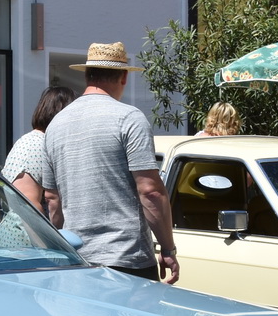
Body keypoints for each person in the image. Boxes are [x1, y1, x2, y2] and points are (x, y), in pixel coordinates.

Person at [43, 41, 179, 283]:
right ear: (124, 77)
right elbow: (151, 191)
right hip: (126, 258)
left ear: (87, 75)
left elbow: (52, 199)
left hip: (77, 259)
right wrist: (167, 249)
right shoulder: (129, 118)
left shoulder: (55, 125)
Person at [1, 86, 74, 213]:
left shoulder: (34, 141)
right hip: (24, 231)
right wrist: (53, 232)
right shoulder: (36, 145)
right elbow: (28, 203)